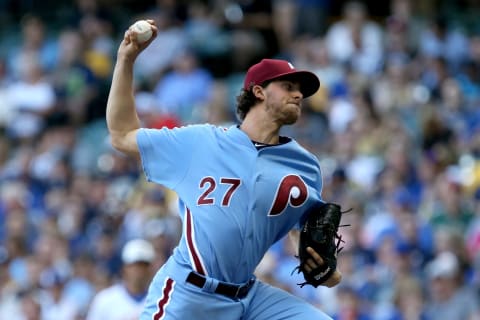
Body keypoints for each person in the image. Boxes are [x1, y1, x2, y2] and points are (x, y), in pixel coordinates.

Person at [106, 19, 342, 320]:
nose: (298, 94)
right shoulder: (201, 142)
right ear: (259, 91)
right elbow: (122, 135)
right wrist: (126, 59)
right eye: (288, 86)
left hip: (250, 298)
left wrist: (325, 270)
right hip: (190, 292)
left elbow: (305, 229)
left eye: (300, 90)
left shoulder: (305, 166)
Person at [86, 238, 155, 320]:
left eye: (144, 265)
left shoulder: (159, 301)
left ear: (150, 269)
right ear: (124, 267)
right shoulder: (104, 300)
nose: (139, 270)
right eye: (135, 265)